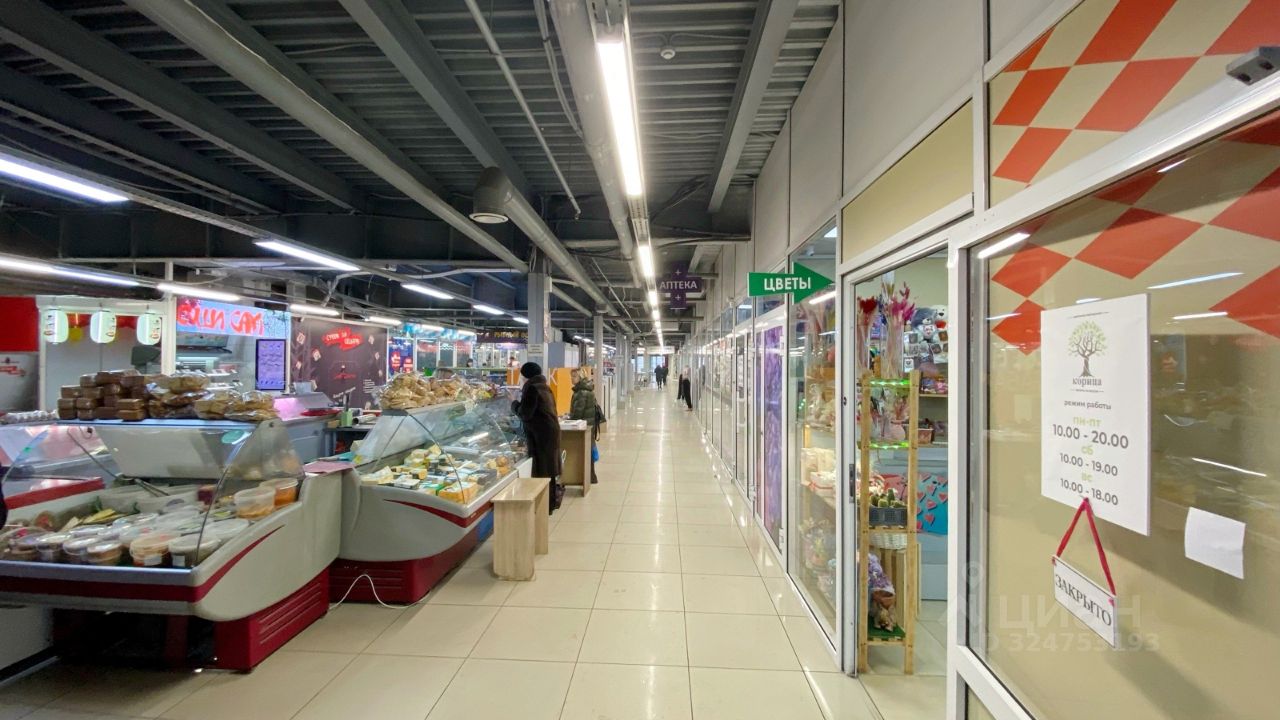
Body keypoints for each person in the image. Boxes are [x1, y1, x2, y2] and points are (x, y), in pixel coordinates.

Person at [513, 361, 562, 513]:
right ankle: (550, 503)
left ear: (525, 375)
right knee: (549, 470)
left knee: (543, 470)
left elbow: (525, 414)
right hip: (550, 433)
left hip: (541, 436)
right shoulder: (544, 386)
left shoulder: (532, 388)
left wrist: (513, 403)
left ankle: (545, 507)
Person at [568, 368, 604, 484]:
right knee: (588, 451)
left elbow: (578, 412)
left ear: (580, 377)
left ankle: (590, 477)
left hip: (584, 426)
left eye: (574, 376)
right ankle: (591, 476)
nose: (571, 378)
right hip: (589, 425)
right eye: (571, 376)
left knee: (586, 452)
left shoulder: (581, 392)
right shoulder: (586, 390)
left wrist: (569, 419)